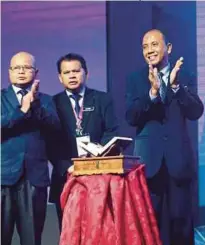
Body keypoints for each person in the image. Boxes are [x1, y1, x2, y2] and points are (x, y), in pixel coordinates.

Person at [125, 29, 204, 245]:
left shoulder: (185, 75)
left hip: (178, 161)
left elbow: (196, 111)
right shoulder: (135, 79)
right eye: (145, 46)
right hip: (149, 163)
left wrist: (176, 87)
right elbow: (131, 117)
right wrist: (151, 93)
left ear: (168, 48)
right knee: (150, 226)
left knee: (181, 224)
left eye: (154, 45)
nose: (149, 50)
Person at [49, 53, 119, 230]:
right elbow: (50, 142)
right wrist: (68, 167)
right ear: (60, 77)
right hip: (66, 178)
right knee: (68, 232)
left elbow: (111, 131)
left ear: (86, 73)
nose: (72, 76)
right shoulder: (52, 103)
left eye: (76, 71)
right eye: (67, 72)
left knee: (98, 230)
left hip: (99, 177)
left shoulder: (103, 99)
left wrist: (98, 158)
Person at [1, 52, 61, 245]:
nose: (21, 71)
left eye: (26, 68)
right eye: (16, 68)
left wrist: (34, 104)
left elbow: (55, 127)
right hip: (3, 178)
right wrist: (22, 110)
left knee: (32, 239)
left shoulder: (45, 101)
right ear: (9, 72)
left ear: (35, 72)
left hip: (34, 179)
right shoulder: (1, 99)